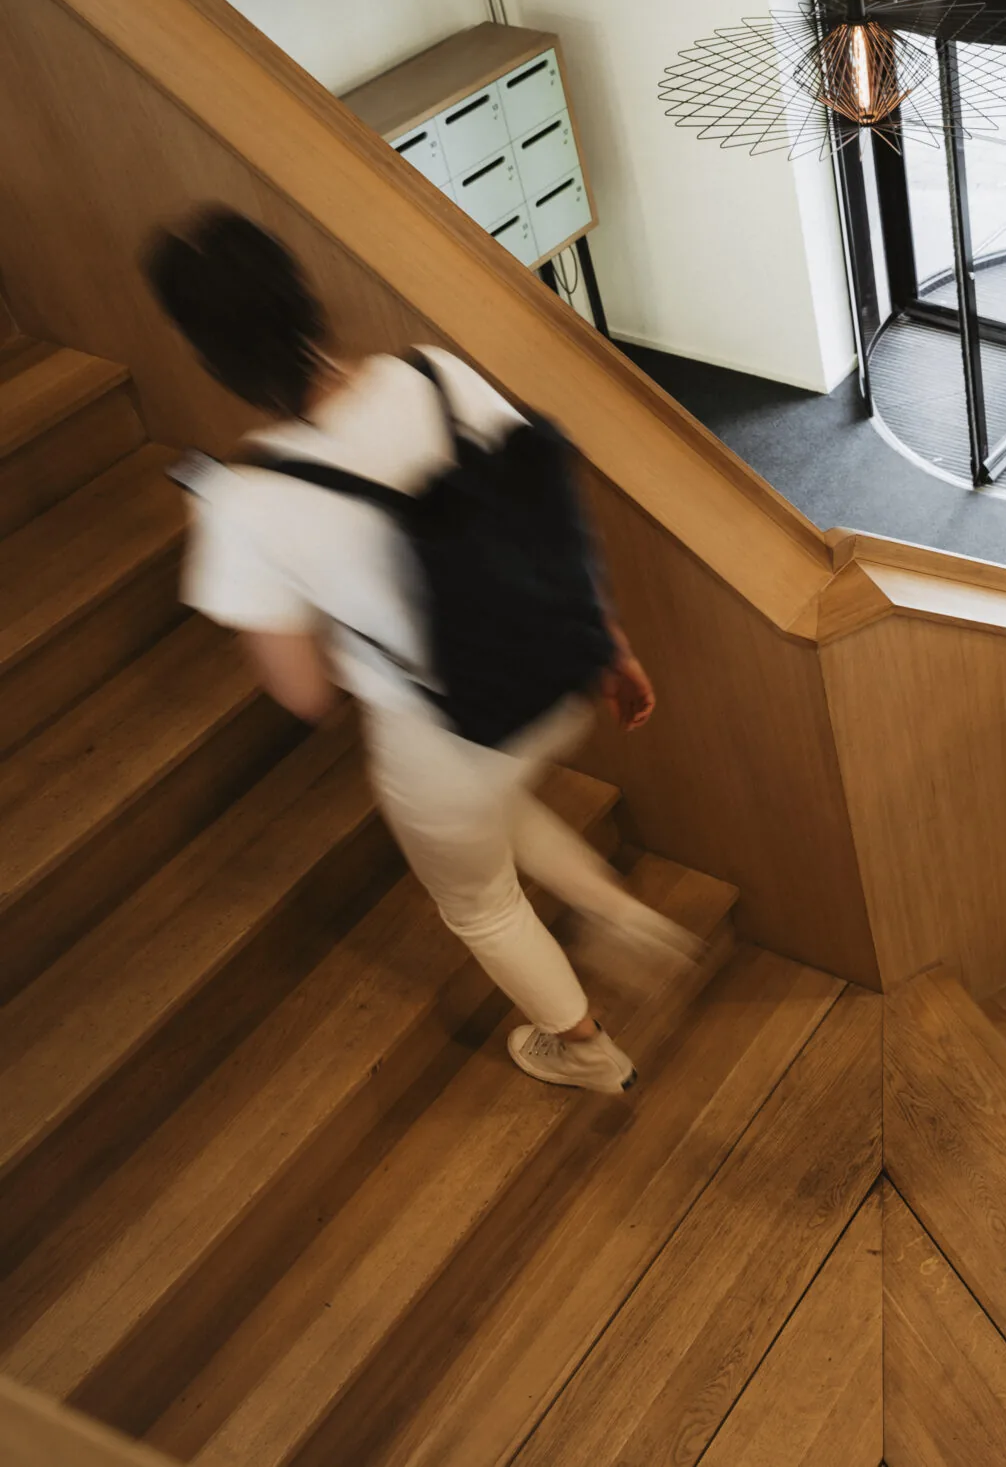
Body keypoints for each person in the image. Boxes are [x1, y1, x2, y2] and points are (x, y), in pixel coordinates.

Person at [147, 208, 694, 1095]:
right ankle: (609, 906)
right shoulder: (431, 374)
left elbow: (303, 693)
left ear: (211, 356)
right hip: (554, 675)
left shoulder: (243, 502)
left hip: (445, 729)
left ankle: (585, 1048)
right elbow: (549, 519)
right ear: (305, 296)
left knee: (477, 901)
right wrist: (611, 645)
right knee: (497, 800)